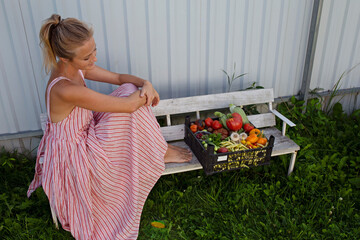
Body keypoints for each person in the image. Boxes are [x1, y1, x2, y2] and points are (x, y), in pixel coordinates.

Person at [27, 14, 192, 240]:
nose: (94, 59)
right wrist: (144, 92)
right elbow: (127, 106)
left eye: (94, 50)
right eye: (87, 57)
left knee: (128, 88)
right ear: (65, 59)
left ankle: (160, 150)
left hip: (87, 131)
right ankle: (159, 151)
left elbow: (118, 77)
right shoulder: (65, 89)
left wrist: (146, 83)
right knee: (131, 100)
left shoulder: (76, 67)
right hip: (76, 154)